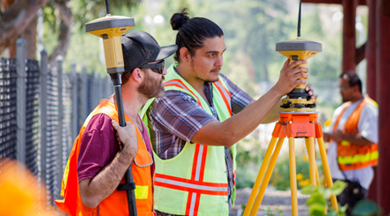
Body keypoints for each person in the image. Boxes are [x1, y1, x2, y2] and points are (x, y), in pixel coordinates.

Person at [141, 10, 314, 216]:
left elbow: (259, 113)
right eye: (211, 55)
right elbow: (225, 135)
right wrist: (278, 89)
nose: (220, 62)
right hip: (175, 212)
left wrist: (293, 100)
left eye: (222, 53)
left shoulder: (218, 83)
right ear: (185, 55)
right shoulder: (168, 96)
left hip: (215, 209)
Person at [55, 31, 177, 216]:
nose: (165, 72)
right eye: (159, 67)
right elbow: (89, 196)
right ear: (138, 74)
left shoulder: (134, 119)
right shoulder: (104, 122)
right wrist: (126, 153)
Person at [323, 72, 378, 215]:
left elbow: (370, 138)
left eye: (343, 87)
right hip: (336, 174)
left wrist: (343, 137)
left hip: (354, 176)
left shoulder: (368, 108)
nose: (340, 90)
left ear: (355, 88)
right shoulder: (342, 109)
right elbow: (333, 136)